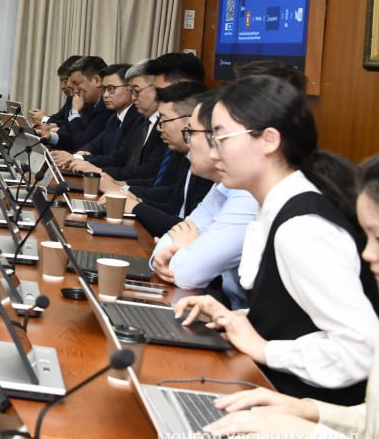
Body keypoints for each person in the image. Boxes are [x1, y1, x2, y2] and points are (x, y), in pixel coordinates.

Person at [175, 76, 379, 406]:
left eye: (221, 138)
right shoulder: (273, 206)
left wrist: (267, 349)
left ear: (269, 140)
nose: (213, 153)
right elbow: (295, 319)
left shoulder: (302, 229)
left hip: (309, 414)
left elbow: (361, 349)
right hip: (271, 394)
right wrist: (238, 319)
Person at [201, 155, 379, 439]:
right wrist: (306, 411)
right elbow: (372, 427)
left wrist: (308, 434)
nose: (367, 253)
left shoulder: (301, 226)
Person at [150, 91, 258, 307]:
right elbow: (168, 243)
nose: (188, 143)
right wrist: (184, 248)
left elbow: (186, 273)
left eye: (190, 132)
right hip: (225, 313)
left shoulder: (248, 196)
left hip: (238, 319)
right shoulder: (223, 186)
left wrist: (184, 249)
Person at [116, 81, 211, 235]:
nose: (159, 127)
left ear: (189, 122)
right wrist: (135, 200)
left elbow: (191, 229)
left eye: (164, 120)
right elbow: (173, 204)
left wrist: (135, 206)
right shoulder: (185, 155)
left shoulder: (208, 167)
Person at [52, 63, 136, 166]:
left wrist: (78, 158)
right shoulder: (114, 119)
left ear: (130, 88)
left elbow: (119, 159)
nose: (105, 95)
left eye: (111, 88)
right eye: (104, 89)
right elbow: (94, 145)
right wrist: (82, 153)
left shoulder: (138, 119)